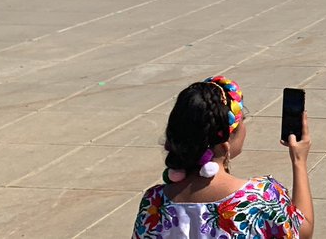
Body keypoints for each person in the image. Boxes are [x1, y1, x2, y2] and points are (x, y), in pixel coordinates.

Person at [132, 75, 315, 239]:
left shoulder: (154, 203)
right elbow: (302, 231)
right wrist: (299, 161)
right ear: (223, 146)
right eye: (242, 120)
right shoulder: (261, 197)